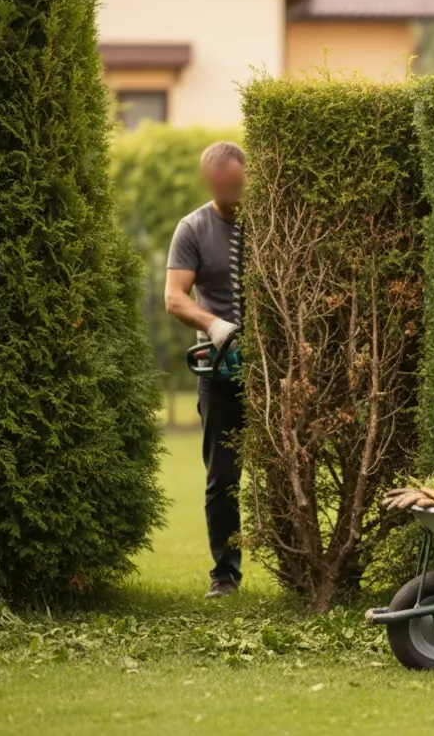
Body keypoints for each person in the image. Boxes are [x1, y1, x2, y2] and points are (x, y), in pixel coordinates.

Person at [164, 142, 247, 598]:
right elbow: (174, 297)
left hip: (276, 372)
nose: (230, 194)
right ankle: (225, 574)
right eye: (220, 187)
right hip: (220, 370)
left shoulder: (270, 221)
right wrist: (214, 324)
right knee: (223, 478)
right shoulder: (192, 228)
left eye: (235, 185)